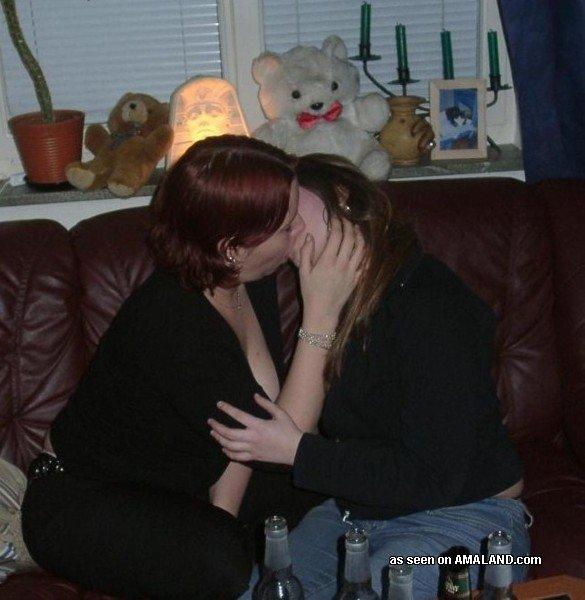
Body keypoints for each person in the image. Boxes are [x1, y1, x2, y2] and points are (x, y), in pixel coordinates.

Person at [20, 136, 361, 599]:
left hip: (184, 482)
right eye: (286, 227)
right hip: (83, 497)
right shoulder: (173, 321)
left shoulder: (245, 281)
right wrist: (322, 314)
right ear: (232, 247)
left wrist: (222, 516)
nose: (298, 233)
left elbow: (251, 431)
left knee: (335, 479)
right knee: (221, 562)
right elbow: (287, 438)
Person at [209, 153, 531, 600]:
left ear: (342, 199)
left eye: (292, 212)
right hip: (351, 518)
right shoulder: (332, 298)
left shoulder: (432, 303)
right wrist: (320, 314)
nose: (284, 234)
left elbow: (433, 476)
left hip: (469, 518)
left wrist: (299, 451)